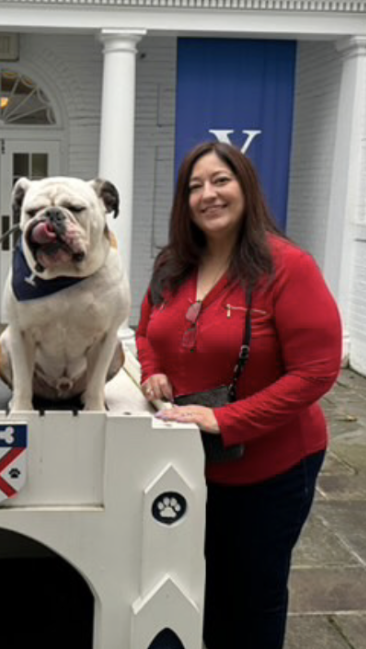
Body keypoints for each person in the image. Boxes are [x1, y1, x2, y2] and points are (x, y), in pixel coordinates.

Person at [136, 141, 341, 649]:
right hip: (186, 464)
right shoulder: (172, 265)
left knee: (250, 596)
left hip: (268, 470)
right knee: (191, 586)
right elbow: (145, 332)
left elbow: (316, 371)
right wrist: (153, 371)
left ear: (246, 186)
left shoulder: (288, 268)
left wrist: (223, 420)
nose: (208, 194)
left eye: (220, 180)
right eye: (195, 186)